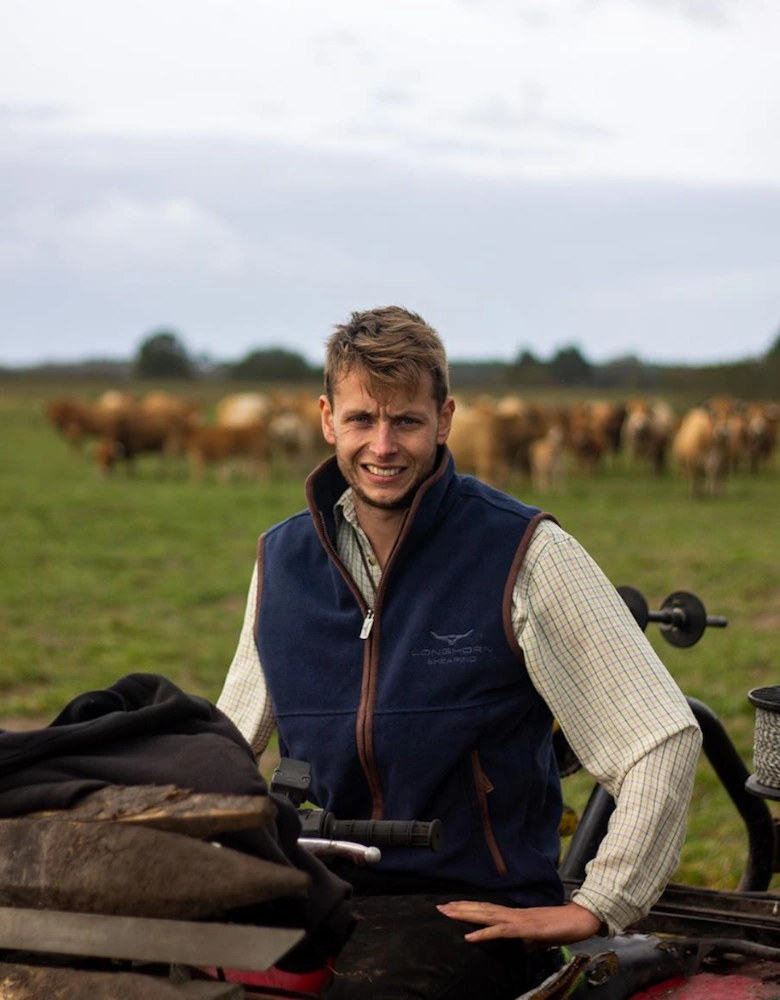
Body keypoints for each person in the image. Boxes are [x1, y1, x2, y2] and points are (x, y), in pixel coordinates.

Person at [218, 306, 702, 1000]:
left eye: (406, 422)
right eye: (361, 420)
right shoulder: (282, 559)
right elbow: (231, 742)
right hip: (321, 886)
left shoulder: (522, 551)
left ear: (444, 419)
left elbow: (661, 737)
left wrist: (598, 904)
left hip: (472, 901)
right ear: (327, 419)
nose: (382, 446)